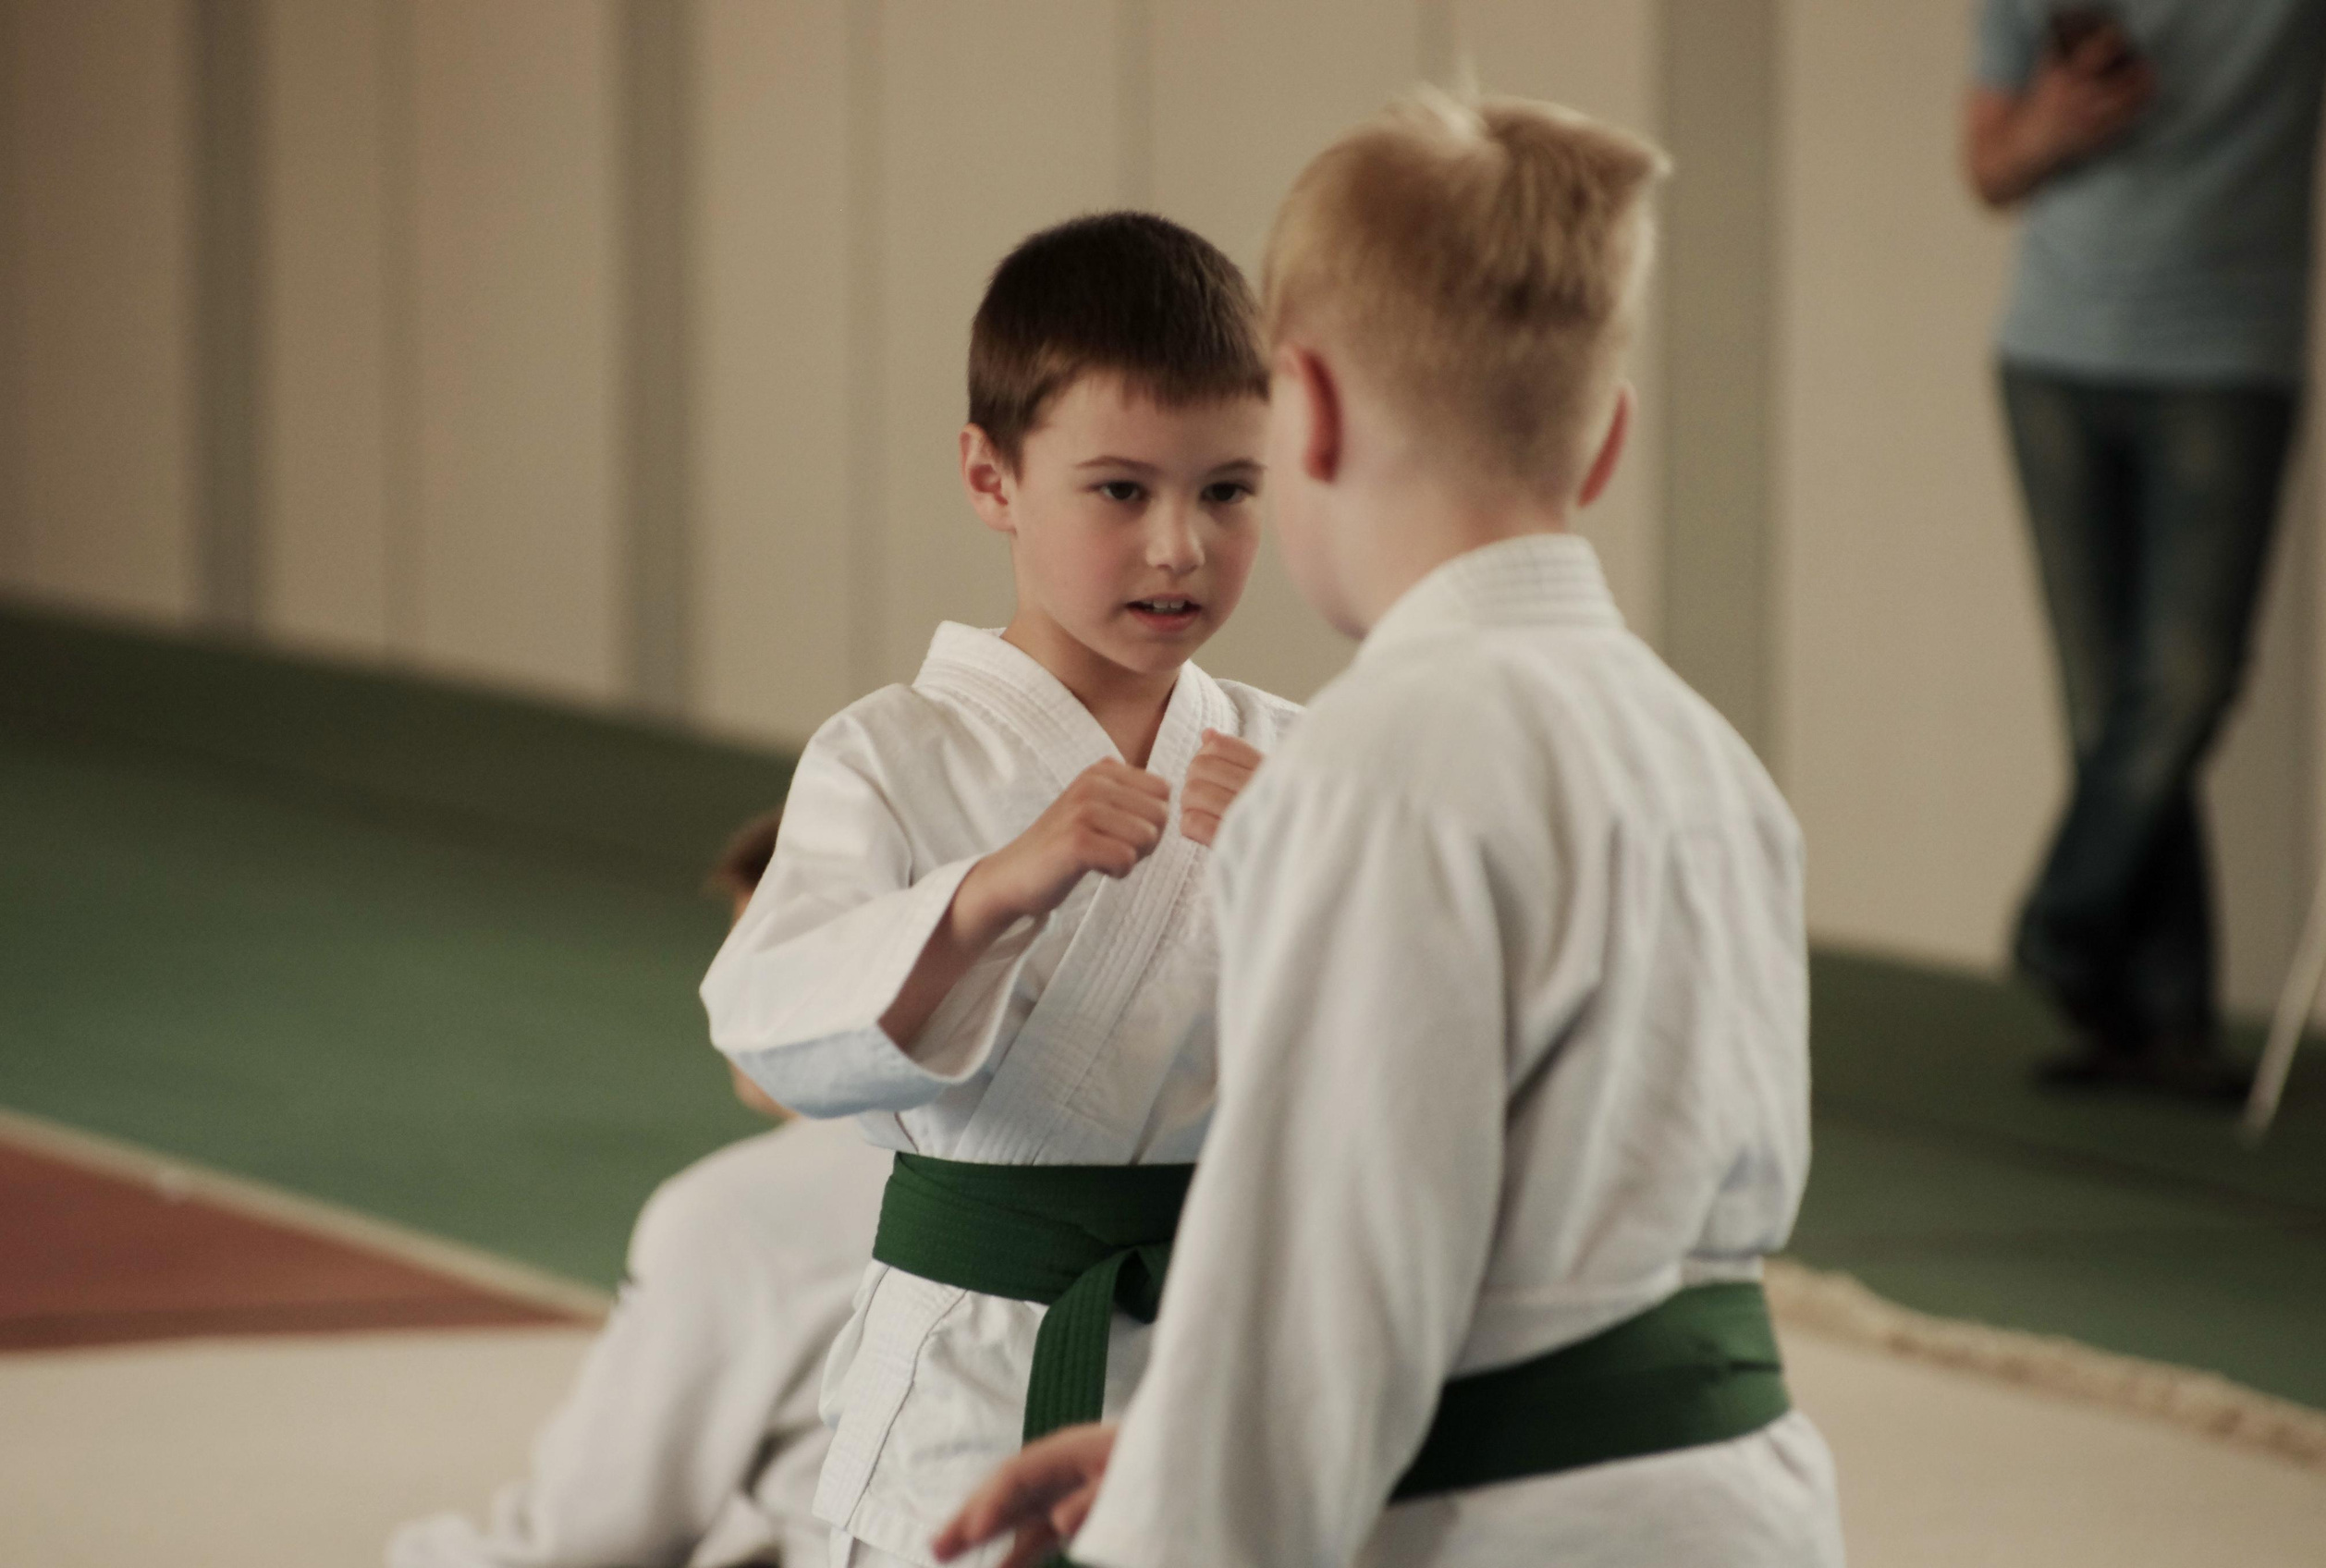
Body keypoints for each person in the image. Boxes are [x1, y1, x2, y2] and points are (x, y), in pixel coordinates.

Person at [937, 92, 1843, 1568]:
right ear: (1607, 440)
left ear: (1308, 408)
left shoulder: (1378, 764)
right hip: (1744, 1505)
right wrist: (1171, 1447)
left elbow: (1327, 1287)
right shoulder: (1708, 755)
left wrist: (1170, 1523)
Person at [699, 213, 1296, 1568]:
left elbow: (1411, 1072)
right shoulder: (888, 755)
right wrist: (985, 893)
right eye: (1120, 490)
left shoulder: (1299, 763)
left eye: (1228, 491)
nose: (1180, 548)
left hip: (1216, 1370)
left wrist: (1318, 888)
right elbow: (768, 1025)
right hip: (966, 1380)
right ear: (992, 475)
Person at [1963, 0, 2326, 1095]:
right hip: (2052, 354)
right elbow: (1986, 168)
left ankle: (2063, 916)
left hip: (2227, 358)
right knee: (2105, 704)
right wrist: (2051, 125)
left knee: (2185, 679)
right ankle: (2156, 1022)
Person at [389, 811, 895, 1568]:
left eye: (760, 953)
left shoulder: (739, 1213)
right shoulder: (1071, 1161)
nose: (716, 988)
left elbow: (591, 1537)